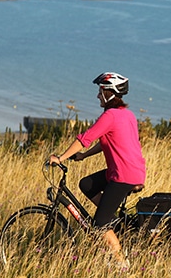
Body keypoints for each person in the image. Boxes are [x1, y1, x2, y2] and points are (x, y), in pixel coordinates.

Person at [49, 72, 146, 268]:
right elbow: (108, 141)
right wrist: (84, 156)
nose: (98, 96)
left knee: (99, 225)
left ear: (110, 93)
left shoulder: (109, 116)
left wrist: (60, 158)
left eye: (100, 91)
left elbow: (84, 139)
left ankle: (122, 265)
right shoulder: (128, 115)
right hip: (131, 171)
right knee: (86, 184)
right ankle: (110, 217)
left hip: (122, 175)